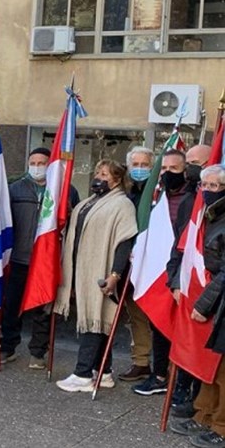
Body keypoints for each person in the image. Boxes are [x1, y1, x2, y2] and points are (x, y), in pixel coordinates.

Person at [55, 160, 136, 392]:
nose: (99, 177)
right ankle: (105, 372)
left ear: (117, 179)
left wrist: (115, 274)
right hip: (82, 268)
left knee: (95, 319)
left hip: (102, 269)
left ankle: (82, 374)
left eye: (105, 174)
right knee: (97, 320)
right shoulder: (89, 202)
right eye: (98, 172)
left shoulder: (122, 204)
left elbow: (124, 241)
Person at [0, 147, 79, 366]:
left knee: (43, 308)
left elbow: (72, 225)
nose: (36, 167)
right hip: (19, 258)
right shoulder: (15, 189)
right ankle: (8, 347)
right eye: (33, 163)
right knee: (12, 306)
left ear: (50, 165)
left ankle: (38, 352)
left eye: (41, 163)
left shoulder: (65, 190)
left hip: (47, 261)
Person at [171, 165, 225, 447]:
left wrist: (203, 304)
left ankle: (221, 426)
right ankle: (205, 414)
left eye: (215, 186)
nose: (208, 191)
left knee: (224, 370)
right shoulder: (209, 216)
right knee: (210, 366)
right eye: (205, 186)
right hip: (214, 298)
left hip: (219, 300)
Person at [131, 149, 189, 396]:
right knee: (158, 324)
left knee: (184, 331)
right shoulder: (156, 198)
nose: (167, 174)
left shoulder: (193, 198)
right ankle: (159, 375)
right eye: (163, 169)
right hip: (159, 272)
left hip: (185, 273)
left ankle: (182, 384)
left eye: (173, 169)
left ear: (185, 171)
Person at [167, 144, 212, 418]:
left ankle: (202, 404)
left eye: (197, 162)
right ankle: (183, 393)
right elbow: (180, 245)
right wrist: (175, 280)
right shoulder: (189, 201)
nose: (193, 168)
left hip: (210, 286)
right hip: (186, 281)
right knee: (185, 342)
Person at [117, 146, 156, 383]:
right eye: (136, 165)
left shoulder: (157, 193)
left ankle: (165, 366)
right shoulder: (126, 192)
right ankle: (141, 362)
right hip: (130, 263)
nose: (140, 169)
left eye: (145, 165)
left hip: (153, 263)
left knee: (157, 316)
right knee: (136, 316)